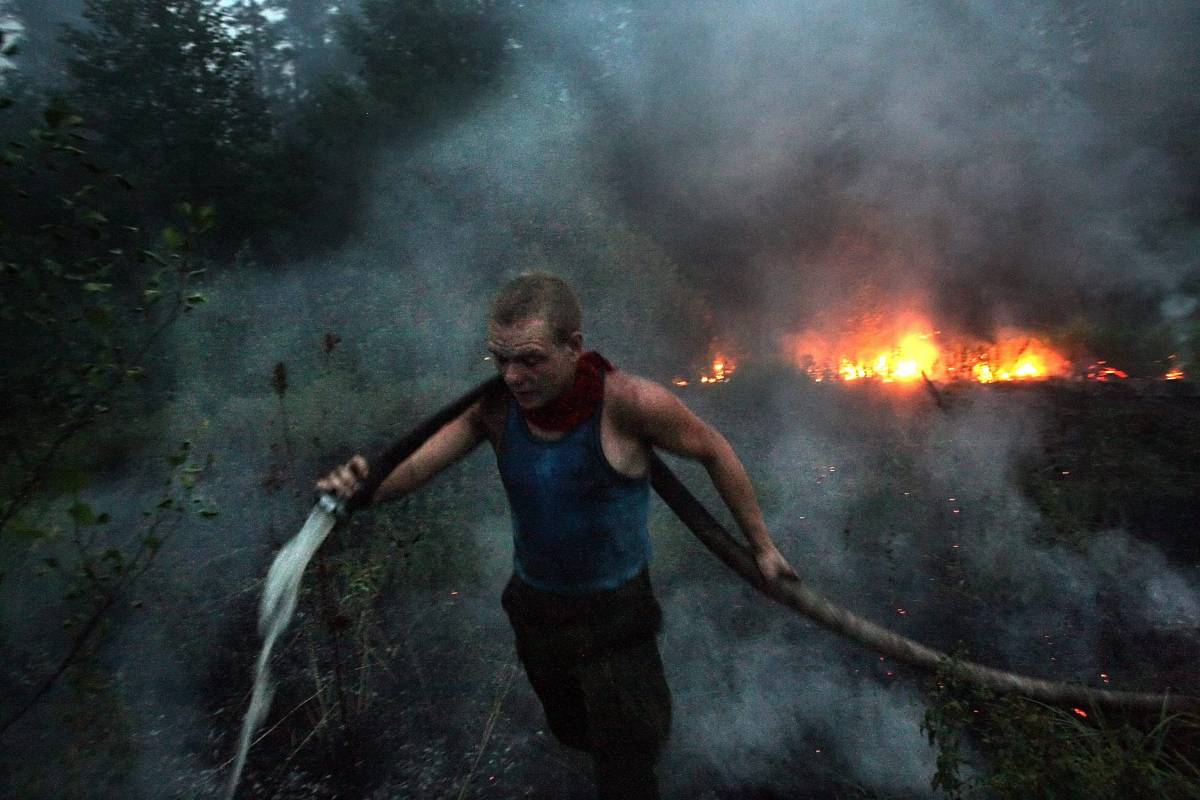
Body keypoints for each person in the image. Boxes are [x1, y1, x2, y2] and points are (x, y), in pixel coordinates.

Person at [317, 272, 796, 799]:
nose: (513, 376)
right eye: (499, 359)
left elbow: (714, 451)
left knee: (630, 759)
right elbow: (410, 472)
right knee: (574, 733)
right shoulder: (495, 409)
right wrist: (360, 490)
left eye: (530, 359)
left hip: (616, 617)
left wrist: (763, 547)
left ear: (574, 348)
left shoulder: (630, 405)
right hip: (536, 609)